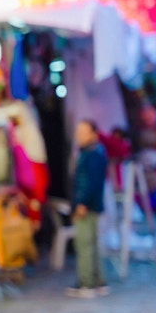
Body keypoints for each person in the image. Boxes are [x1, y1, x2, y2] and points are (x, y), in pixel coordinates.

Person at [68, 119, 109, 298]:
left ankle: (87, 283)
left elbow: (92, 182)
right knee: (91, 243)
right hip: (90, 204)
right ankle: (97, 281)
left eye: (83, 132)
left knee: (84, 244)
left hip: (87, 206)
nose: (79, 136)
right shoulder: (91, 152)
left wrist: (82, 203)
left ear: (93, 134)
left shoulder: (93, 154)